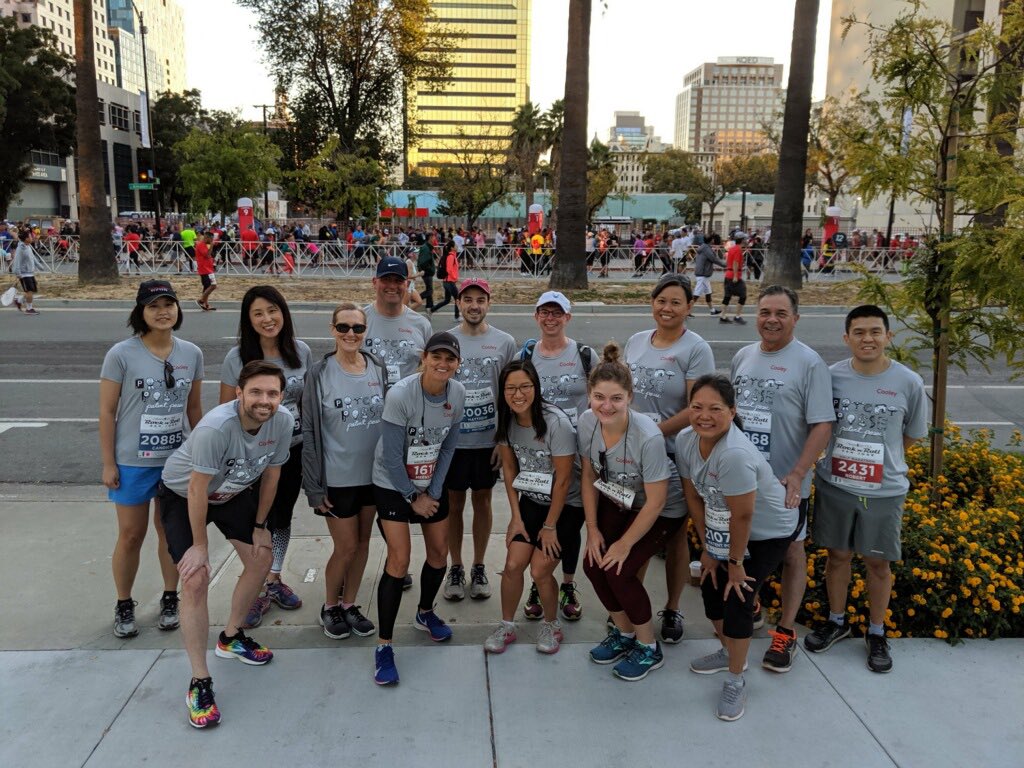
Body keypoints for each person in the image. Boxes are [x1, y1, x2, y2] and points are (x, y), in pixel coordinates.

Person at [160, 360, 295, 728]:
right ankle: (199, 680)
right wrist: (200, 545)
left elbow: (273, 473)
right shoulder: (216, 428)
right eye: (255, 392)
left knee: (260, 557)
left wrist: (259, 525)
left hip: (233, 491)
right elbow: (196, 487)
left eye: (272, 393)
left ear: (281, 396)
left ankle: (231, 637)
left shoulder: (282, 421)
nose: (264, 400)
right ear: (239, 393)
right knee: (195, 577)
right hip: (184, 493)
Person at [804, 305, 927, 673]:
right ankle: (837, 621)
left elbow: (910, 436)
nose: (867, 338)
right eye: (859, 332)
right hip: (835, 485)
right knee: (837, 557)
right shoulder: (830, 377)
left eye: (875, 331)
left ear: (888, 336)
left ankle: (876, 631)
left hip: (883, 491)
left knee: (878, 562)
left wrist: (882, 463)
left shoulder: (908, 382)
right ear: (846, 338)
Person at [678, 374, 799, 721]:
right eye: (697, 407)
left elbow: (743, 516)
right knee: (711, 589)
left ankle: (736, 679)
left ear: (732, 412)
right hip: (723, 525)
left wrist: (734, 562)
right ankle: (731, 652)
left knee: (739, 596)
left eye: (715, 408)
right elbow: (693, 497)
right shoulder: (688, 440)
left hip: (766, 532)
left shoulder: (733, 454)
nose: (704, 415)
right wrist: (706, 548)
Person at [729, 285, 835, 672]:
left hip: (786, 485)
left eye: (780, 313)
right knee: (744, 544)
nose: (771, 320)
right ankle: (752, 604)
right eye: (764, 312)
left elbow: (823, 424)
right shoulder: (743, 357)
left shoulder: (809, 363)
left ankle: (785, 631)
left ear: (795, 318)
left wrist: (798, 473)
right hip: (742, 480)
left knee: (791, 551)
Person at [100, 280, 204, 639]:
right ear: (140, 312)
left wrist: (202, 455)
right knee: (131, 534)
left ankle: (170, 596)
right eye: (153, 306)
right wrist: (109, 462)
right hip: (132, 462)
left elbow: (194, 409)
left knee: (170, 534)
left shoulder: (191, 353)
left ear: (178, 309)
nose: (163, 312)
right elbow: (107, 411)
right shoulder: (121, 354)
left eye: (169, 304)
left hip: (176, 462)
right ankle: (124, 602)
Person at [580, 343, 685, 682]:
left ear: (630, 397)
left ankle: (648, 648)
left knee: (619, 568)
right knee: (593, 563)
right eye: (599, 397)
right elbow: (589, 474)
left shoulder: (648, 437)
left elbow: (655, 502)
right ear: (589, 395)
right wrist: (593, 529)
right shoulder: (586, 422)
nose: (606, 406)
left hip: (663, 508)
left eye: (615, 399)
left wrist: (624, 543)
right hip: (620, 499)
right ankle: (624, 633)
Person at [371, 332, 467, 685]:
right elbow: (393, 458)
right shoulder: (401, 395)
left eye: (450, 359)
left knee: (440, 552)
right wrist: (415, 497)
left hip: (429, 485)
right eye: (436, 357)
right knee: (399, 560)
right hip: (392, 485)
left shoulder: (457, 394)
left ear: (457, 364)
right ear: (424, 358)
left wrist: (435, 491)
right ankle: (383, 646)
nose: (443, 364)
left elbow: (448, 449)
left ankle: (425, 612)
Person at [623, 273, 715, 643]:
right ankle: (633, 606)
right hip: (631, 456)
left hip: (674, 455)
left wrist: (650, 434)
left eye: (677, 302)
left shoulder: (696, 349)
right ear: (652, 303)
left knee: (674, 535)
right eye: (662, 301)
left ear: (689, 307)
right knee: (636, 530)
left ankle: (673, 608)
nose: (668, 308)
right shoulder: (635, 342)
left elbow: (698, 408)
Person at [220, 286, 313, 627]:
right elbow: (225, 410)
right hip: (253, 457)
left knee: (281, 518)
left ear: (284, 313)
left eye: (272, 310)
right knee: (254, 523)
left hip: (293, 450)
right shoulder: (237, 358)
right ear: (248, 320)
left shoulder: (301, 352)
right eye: (257, 313)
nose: (267, 319)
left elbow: (308, 404)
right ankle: (254, 586)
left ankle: (273, 579)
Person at [301, 302, 388, 640]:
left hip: (373, 476)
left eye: (358, 328)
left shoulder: (377, 367)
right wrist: (313, 487)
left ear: (366, 331)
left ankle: (350, 604)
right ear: (332, 329)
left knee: (364, 543)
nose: (351, 334)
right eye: (344, 327)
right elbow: (309, 431)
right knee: (346, 546)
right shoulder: (319, 373)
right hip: (337, 478)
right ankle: (329, 605)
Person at [485, 359, 582, 655]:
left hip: (564, 506)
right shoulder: (506, 419)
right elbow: (510, 469)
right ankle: (507, 626)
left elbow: (564, 480)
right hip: (531, 499)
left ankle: (551, 625)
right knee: (513, 565)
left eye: (524, 387)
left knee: (540, 570)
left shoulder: (556, 423)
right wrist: (515, 517)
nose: (518, 394)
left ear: (536, 388)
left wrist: (549, 527)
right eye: (510, 388)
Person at [519, 291, 598, 621]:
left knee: (568, 526)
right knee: (538, 521)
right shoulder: (525, 353)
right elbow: (514, 396)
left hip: (578, 457)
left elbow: (601, 399)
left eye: (557, 313)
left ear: (568, 317)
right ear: (536, 316)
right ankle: (539, 581)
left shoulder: (584, 355)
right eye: (544, 313)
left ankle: (566, 584)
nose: (550, 319)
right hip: (537, 458)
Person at [442, 279, 517, 601]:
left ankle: (479, 565)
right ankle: (455, 567)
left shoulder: (504, 342)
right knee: (454, 504)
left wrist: (504, 439)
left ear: (489, 303)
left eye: (480, 300)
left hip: (488, 443)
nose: (474, 305)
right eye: (468, 299)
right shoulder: (447, 340)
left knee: (483, 501)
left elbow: (511, 394)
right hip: (453, 443)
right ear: (459, 303)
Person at [692, 233, 726, 316]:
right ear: (712, 240)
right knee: (696, 294)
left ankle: (712, 310)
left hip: (703, 274)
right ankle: (686, 311)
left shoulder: (704, 247)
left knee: (708, 293)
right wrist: (726, 265)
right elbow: (714, 259)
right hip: (703, 275)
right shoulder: (706, 249)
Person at [719, 231, 747, 323]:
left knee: (727, 296)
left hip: (728, 275)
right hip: (734, 276)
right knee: (743, 295)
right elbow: (735, 262)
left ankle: (723, 316)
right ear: (742, 240)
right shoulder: (738, 250)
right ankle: (737, 316)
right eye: (745, 239)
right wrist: (735, 276)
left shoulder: (732, 249)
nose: (746, 240)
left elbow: (729, 261)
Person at [430, 239, 460, 320]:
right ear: (452, 248)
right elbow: (449, 270)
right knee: (458, 299)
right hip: (449, 282)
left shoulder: (452, 256)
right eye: (455, 245)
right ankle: (457, 317)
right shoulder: (450, 257)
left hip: (448, 282)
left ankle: (432, 310)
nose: (457, 246)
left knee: (447, 300)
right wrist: (455, 278)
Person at [12, 229, 40, 315]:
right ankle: (29, 309)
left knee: (33, 290)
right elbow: (17, 261)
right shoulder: (20, 249)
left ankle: (19, 300)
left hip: (30, 272)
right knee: (29, 291)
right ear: (26, 239)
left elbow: (32, 257)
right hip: (24, 273)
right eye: (30, 236)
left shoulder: (28, 246)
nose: (32, 237)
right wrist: (18, 273)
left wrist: (39, 265)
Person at [195, 232, 217, 311]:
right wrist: (211, 246)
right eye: (211, 239)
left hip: (209, 268)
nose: (212, 241)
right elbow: (207, 255)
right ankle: (201, 300)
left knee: (207, 287)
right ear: (207, 238)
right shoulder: (201, 245)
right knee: (212, 285)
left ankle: (206, 304)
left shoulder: (204, 245)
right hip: (204, 269)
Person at [416, 234, 436, 311]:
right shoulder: (425, 248)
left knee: (429, 288)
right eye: (434, 237)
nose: (435, 238)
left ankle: (430, 305)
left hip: (426, 271)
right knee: (430, 290)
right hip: (426, 272)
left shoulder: (428, 247)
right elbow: (423, 261)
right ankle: (415, 299)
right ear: (430, 238)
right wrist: (429, 269)